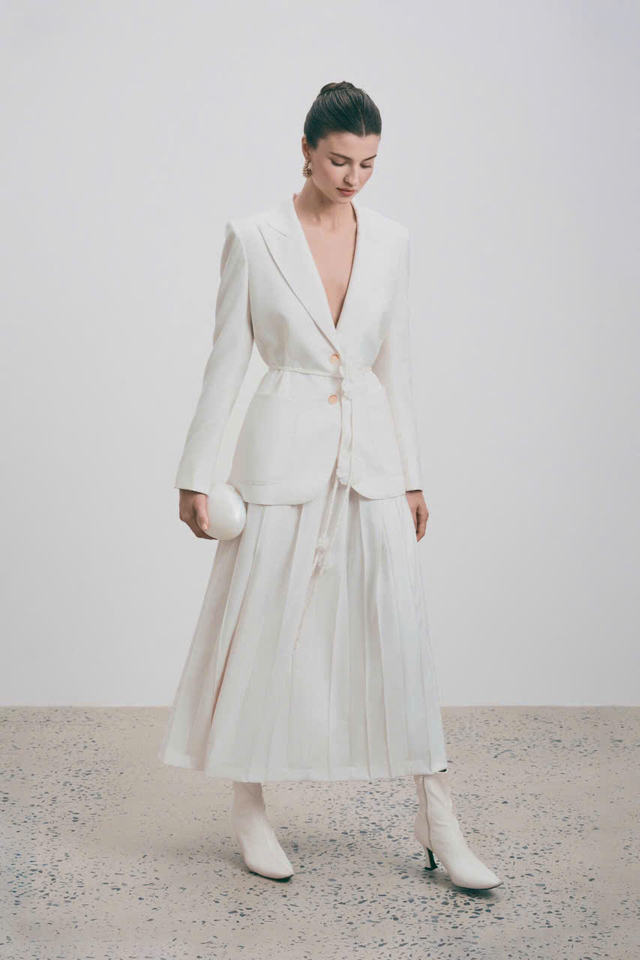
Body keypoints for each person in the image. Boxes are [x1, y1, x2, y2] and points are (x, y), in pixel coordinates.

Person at [158, 81, 503, 891]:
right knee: (263, 630)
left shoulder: (392, 241)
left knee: (401, 636)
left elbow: (394, 364)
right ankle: (249, 807)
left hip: (372, 458)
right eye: (340, 160)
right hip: (280, 461)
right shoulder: (255, 237)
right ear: (307, 152)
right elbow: (225, 362)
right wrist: (194, 474)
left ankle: (438, 819)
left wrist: (412, 477)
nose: (354, 177)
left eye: (369, 163)